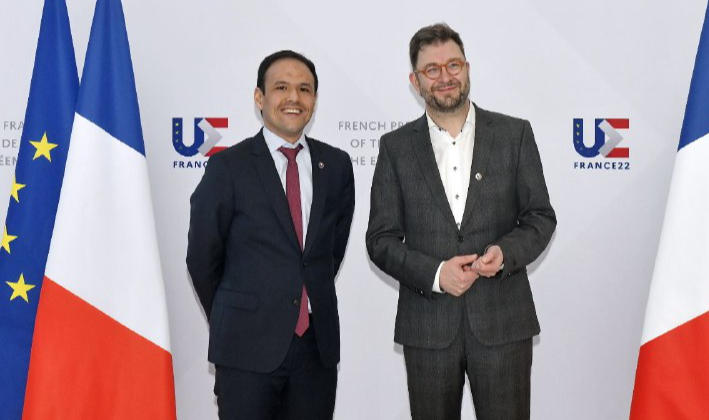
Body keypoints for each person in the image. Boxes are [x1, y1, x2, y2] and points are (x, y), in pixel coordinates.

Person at [366, 23, 556, 420]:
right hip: (428, 328)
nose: (445, 76)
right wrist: (437, 274)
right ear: (415, 81)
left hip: (504, 323)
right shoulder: (396, 148)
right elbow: (381, 240)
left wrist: (504, 254)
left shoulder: (514, 134)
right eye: (432, 69)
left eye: (453, 65)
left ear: (467, 69)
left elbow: (539, 217)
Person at [187, 50, 355, 420]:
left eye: (304, 89)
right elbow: (202, 257)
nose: (294, 98)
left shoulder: (337, 165)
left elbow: (328, 253)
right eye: (281, 87)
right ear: (260, 98)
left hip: (316, 350)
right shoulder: (227, 166)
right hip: (246, 347)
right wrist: (239, 314)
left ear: (314, 99)